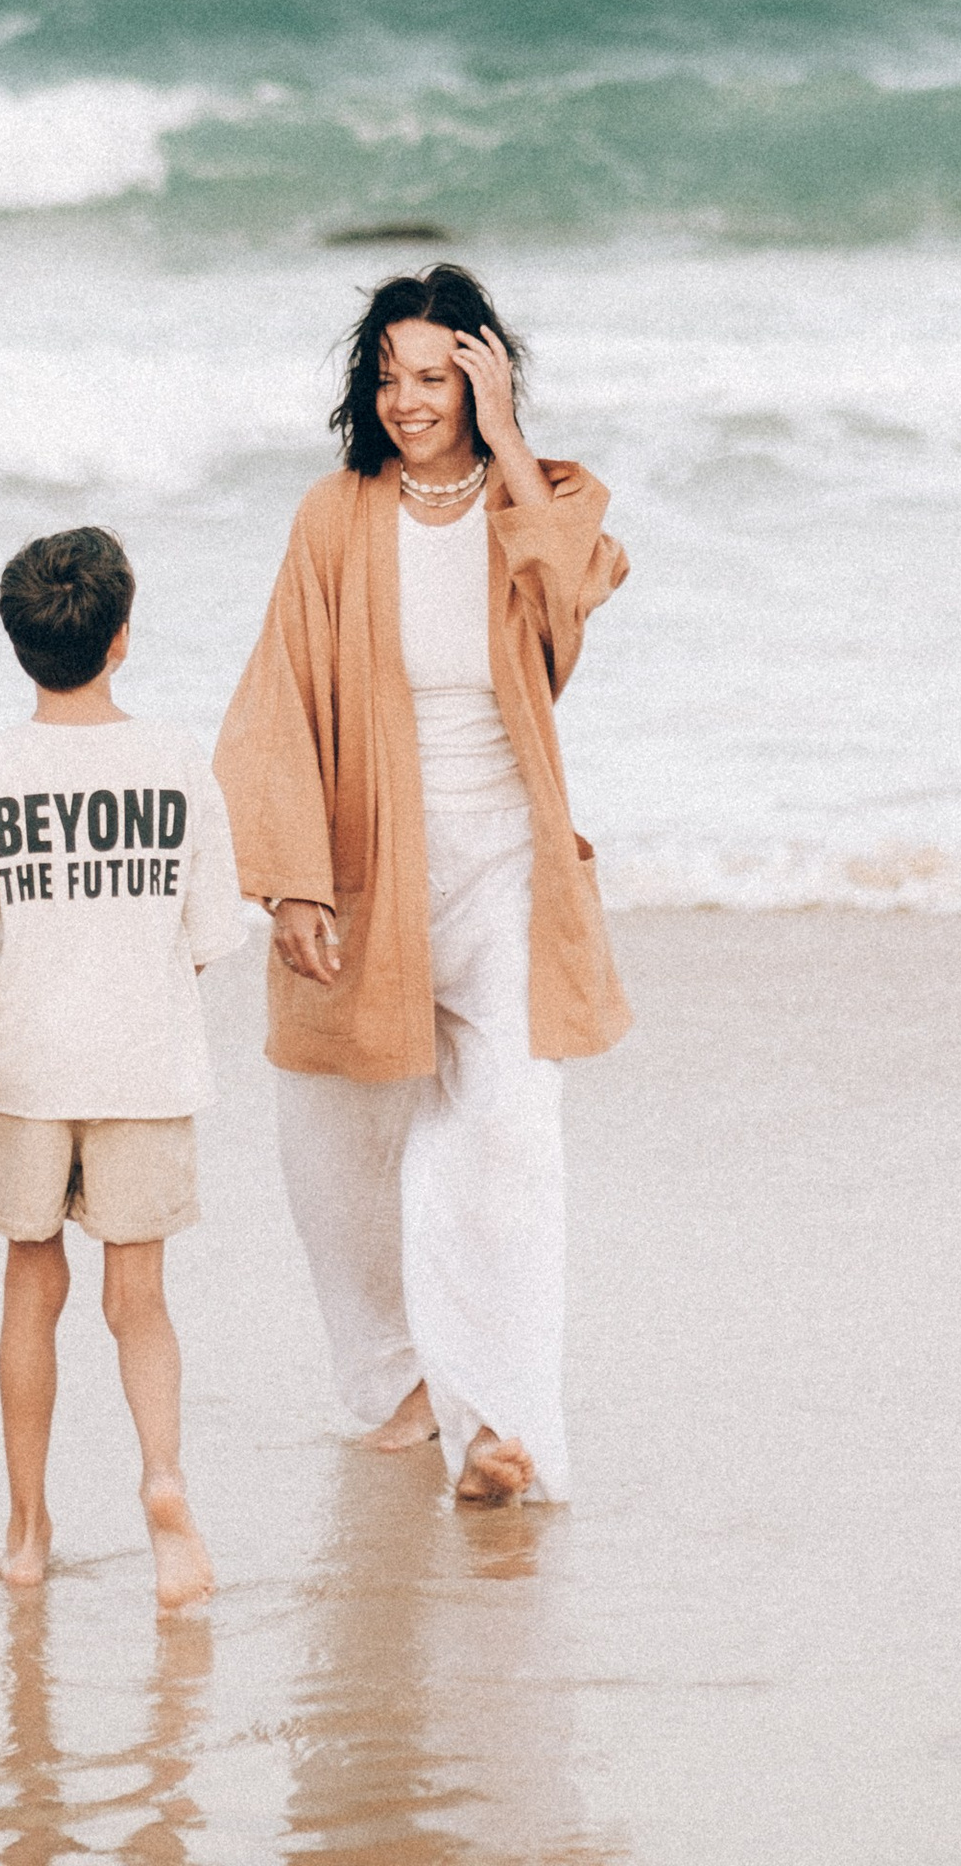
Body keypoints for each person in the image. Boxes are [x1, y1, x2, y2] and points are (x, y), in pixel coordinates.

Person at [215, 266, 629, 1505]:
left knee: (506, 1139)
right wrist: (291, 882)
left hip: (505, 858)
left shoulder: (547, 504)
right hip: (368, 859)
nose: (407, 401)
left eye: (437, 377)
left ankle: (498, 1425)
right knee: (333, 1139)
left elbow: (565, 603)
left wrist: (507, 444)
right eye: (389, 377)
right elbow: (276, 693)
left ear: (483, 375)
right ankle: (394, 1384)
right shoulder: (334, 517)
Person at [0, 524, 247, 1609]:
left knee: (30, 1286)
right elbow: (202, 939)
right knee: (138, 1297)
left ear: (19, 646)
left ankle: (24, 1528)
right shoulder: (178, 763)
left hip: (25, 1075)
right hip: (145, 1064)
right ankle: (161, 1478)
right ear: (123, 638)